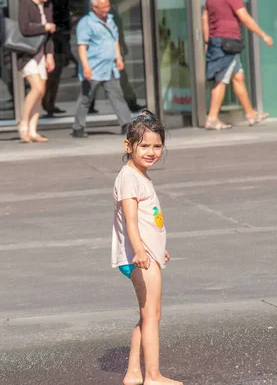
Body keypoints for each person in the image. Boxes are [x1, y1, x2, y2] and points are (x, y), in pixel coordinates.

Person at [111, 110, 182, 385]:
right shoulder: (129, 178)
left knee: (149, 315)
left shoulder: (138, 175)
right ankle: (153, 375)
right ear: (128, 146)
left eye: (157, 146)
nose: (151, 151)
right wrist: (141, 251)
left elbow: (146, 220)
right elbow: (130, 221)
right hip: (140, 257)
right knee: (151, 316)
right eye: (144, 146)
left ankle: (133, 373)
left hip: (146, 253)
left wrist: (156, 246)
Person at [202, 0, 273, 130]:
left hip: (217, 41)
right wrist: (263, 35)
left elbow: (204, 18)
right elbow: (244, 17)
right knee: (221, 80)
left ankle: (251, 114)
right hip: (227, 43)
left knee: (237, 77)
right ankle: (212, 118)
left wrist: (207, 41)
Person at [72, 0, 132, 138]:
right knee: (86, 98)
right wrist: (86, 67)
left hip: (109, 67)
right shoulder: (86, 23)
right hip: (94, 67)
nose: (106, 9)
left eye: (108, 6)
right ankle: (78, 127)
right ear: (94, 7)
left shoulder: (110, 20)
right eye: (103, 7)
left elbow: (114, 40)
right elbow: (82, 47)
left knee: (117, 95)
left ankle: (127, 124)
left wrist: (118, 57)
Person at [17, 0, 56, 142]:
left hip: (42, 52)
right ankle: (23, 124)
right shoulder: (25, 4)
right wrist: (44, 26)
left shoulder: (47, 6)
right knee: (37, 88)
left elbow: (49, 35)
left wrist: (49, 54)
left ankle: (33, 130)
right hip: (28, 53)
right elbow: (24, 29)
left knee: (41, 92)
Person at [43, 0, 73, 116]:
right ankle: (49, 102)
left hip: (51, 38)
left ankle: (48, 102)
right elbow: (65, 20)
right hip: (59, 39)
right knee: (55, 74)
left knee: (50, 75)